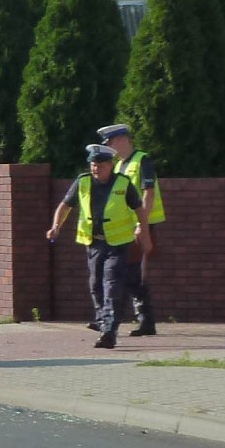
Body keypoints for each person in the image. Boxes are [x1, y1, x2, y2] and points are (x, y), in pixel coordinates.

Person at [46, 144, 152, 349]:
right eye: (93, 165)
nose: (96, 169)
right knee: (96, 285)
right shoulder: (82, 182)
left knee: (111, 285)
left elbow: (139, 209)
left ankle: (109, 332)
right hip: (93, 243)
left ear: (110, 165)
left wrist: (144, 234)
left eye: (100, 165)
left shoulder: (123, 183)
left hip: (119, 244)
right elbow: (65, 206)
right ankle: (104, 321)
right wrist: (55, 227)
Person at [97, 124, 165, 336]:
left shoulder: (142, 160)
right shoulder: (119, 166)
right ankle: (144, 320)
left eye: (110, 143)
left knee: (130, 271)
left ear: (121, 140)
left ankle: (138, 319)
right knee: (129, 272)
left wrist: (141, 225)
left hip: (141, 226)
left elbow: (148, 193)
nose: (109, 148)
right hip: (126, 228)